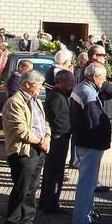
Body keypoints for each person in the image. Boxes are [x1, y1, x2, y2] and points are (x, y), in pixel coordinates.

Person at [0, 70, 50, 224]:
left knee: (32, 188)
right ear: (28, 84)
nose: (41, 88)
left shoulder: (36, 101)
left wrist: (47, 138)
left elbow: (43, 123)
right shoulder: (15, 102)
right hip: (23, 151)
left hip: (37, 149)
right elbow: (20, 130)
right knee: (21, 188)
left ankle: (26, 220)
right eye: (39, 84)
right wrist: (39, 141)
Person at [70, 63, 111, 224]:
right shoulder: (88, 93)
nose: (104, 80)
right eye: (103, 77)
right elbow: (94, 121)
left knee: (86, 181)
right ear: (95, 76)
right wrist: (101, 141)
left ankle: (87, 212)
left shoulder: (81, 88)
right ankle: (82, 218)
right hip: (90, 144)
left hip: (83, 141)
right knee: (87, 183)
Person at [39, 70, 75, 214]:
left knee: (54, 171)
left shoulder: (62, 95)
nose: (72, 85)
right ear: (60, 82)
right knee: (54, 172)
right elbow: (57, 120)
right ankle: (50, 204)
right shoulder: (56, 97)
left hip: (61, 137)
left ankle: (48, 201)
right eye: (69, 82)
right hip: (58, 138)